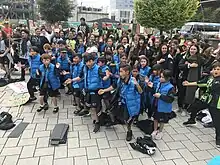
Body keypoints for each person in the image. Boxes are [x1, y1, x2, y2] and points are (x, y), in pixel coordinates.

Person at [98, 64, 142, 141]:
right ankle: (119, 122)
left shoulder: (133, 81)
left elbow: (140, 92)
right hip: (122, 102)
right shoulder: (120, 80)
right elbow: (114, 86)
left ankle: (129, 131)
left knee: (128, 119)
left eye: (121, 71)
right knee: (123, 118)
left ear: (127, 72)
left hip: (131, 104)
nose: (119, 73)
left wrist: (137, 84)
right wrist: (104, 90)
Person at [183, 62, 220, 147]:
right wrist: (188, 84)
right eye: (214, 69)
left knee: (217, 121)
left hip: (215, 103)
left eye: (218, 69)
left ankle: (218, 138)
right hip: (206, 99)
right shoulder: (210, 78)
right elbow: (200, 82)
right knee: (194, 107)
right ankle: (192, 120)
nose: (216, 71)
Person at [70, 54, 104, 133]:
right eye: (86, 62)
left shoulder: (98, 69)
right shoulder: (84, 68)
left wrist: (107, 76)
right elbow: (80, 77)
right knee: (90, 106)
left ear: (93, 61)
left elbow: (104, 77)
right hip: (87, 90)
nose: (88, 63)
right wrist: (72, 80)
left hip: (96, 91)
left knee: (95, 107)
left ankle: (98, 122)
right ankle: (95, 119)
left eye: (90, 61)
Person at [149, 70, 175, 140]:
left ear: (168, 78)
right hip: (156, 105)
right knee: (155, 118)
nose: (160, 78)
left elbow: (170, 99)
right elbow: (155, 92)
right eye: (160, 76)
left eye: (162, 77)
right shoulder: (159, 84)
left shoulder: (171, 87)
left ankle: (160, 131)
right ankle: (155, 130)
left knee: (162, 120)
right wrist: (151, 88)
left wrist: (160, 96)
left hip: (163, 108)